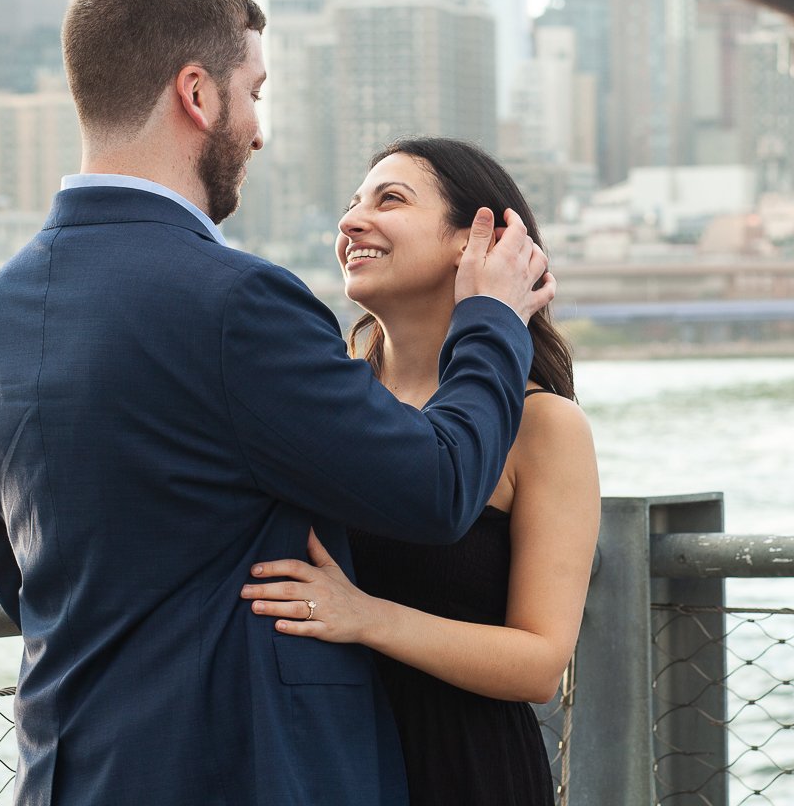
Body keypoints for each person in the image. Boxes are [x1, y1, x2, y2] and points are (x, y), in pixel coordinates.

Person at [0, 0, 554, 806]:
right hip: (246, 772)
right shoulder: (237, 302)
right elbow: (441, 486)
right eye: (256, 91)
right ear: (199, 95)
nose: (259, 130)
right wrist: (491, 320)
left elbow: (21, 586)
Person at [239, 138, 600, 806]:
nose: (351, 222)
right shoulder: (330, 404)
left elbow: (540, 663)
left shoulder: (543, 427)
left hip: (464, 771)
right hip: (317, 760)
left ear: (479, 240)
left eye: (390, 200)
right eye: (351, 205)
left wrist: (365, 617)